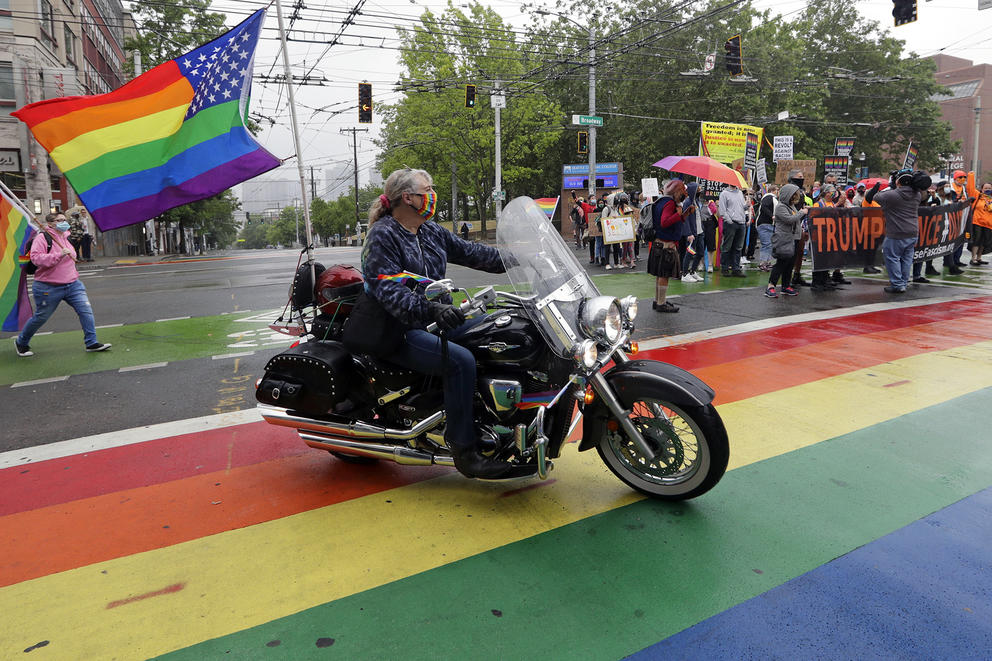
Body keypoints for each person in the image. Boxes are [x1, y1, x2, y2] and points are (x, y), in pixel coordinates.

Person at [361, 168, 534, 480]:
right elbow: (388, 290)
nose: (432, 195)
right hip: (396, 327)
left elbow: (473, 253)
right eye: (427, 190)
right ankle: (465, 450)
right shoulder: (383, 235)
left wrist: (520, 257)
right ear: (407, 198)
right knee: (460, 362)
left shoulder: (429, 231)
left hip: (433, 320)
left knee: (493, 331)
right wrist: (432, 310)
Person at [14, 212, 112, 357]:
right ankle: (21, 342)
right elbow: (36, 259)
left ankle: (91, 342)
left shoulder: (66, 237)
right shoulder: (42, 238)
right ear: (50, 224)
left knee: (86, 311)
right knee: (41, 317)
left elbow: (71, 257)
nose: (63, 222)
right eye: (59, 220)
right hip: (48, 286)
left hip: (73, 284)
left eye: (64, 220)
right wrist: (58, 255)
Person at [866, 169, 923, 294]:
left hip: (897, 232)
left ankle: (897, 284)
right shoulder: (917, 195)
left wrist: (891, 187)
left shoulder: (892, 195)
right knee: (907, 259)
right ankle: (903, 282)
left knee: (892, 257)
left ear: (898, 182)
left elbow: (874, 197)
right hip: (913, 231)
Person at [649, 179, 691, 312]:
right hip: (666, 245)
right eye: (683, 191)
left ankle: (658, 301)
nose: (685, 193)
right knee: (664, 275)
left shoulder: (661, 201)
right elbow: (665, 222)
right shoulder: (669, 203)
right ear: (677, 191)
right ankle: (661, 303)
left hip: (659, 243)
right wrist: (678, 213)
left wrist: (684, 214)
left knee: (660, 275)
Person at [765, 184, 806, 298]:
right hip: (784, 239)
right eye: (794, 195)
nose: (796, 197)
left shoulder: (791, 206)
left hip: (794, 239)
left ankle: (785, 286)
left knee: (790, 264)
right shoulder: (781, 207)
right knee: (781, 263)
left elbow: (795, 220)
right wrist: (802, 212)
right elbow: (789, 219)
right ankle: (770, 286)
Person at [718, 184, 747, 277]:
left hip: (741, 222)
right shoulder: (724, 194)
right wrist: (729, 220)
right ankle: (725, 268)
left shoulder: (740, 193)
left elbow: (743, 207)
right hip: (732, 222)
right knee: (727, 246)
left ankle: (736, 268)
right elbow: (722, 210)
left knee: (738, 247)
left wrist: (747, 205)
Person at [755, 184, 778, 271]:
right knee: (767, 244)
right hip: (765, 224)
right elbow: (764, 206)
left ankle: (767, 262)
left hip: (767, 224)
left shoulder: (769, 198)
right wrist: (772, 215)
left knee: (769, 244)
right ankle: (763, 262)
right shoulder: (769, 197)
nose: (778, 191)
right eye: (777, 189)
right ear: (773, 191)